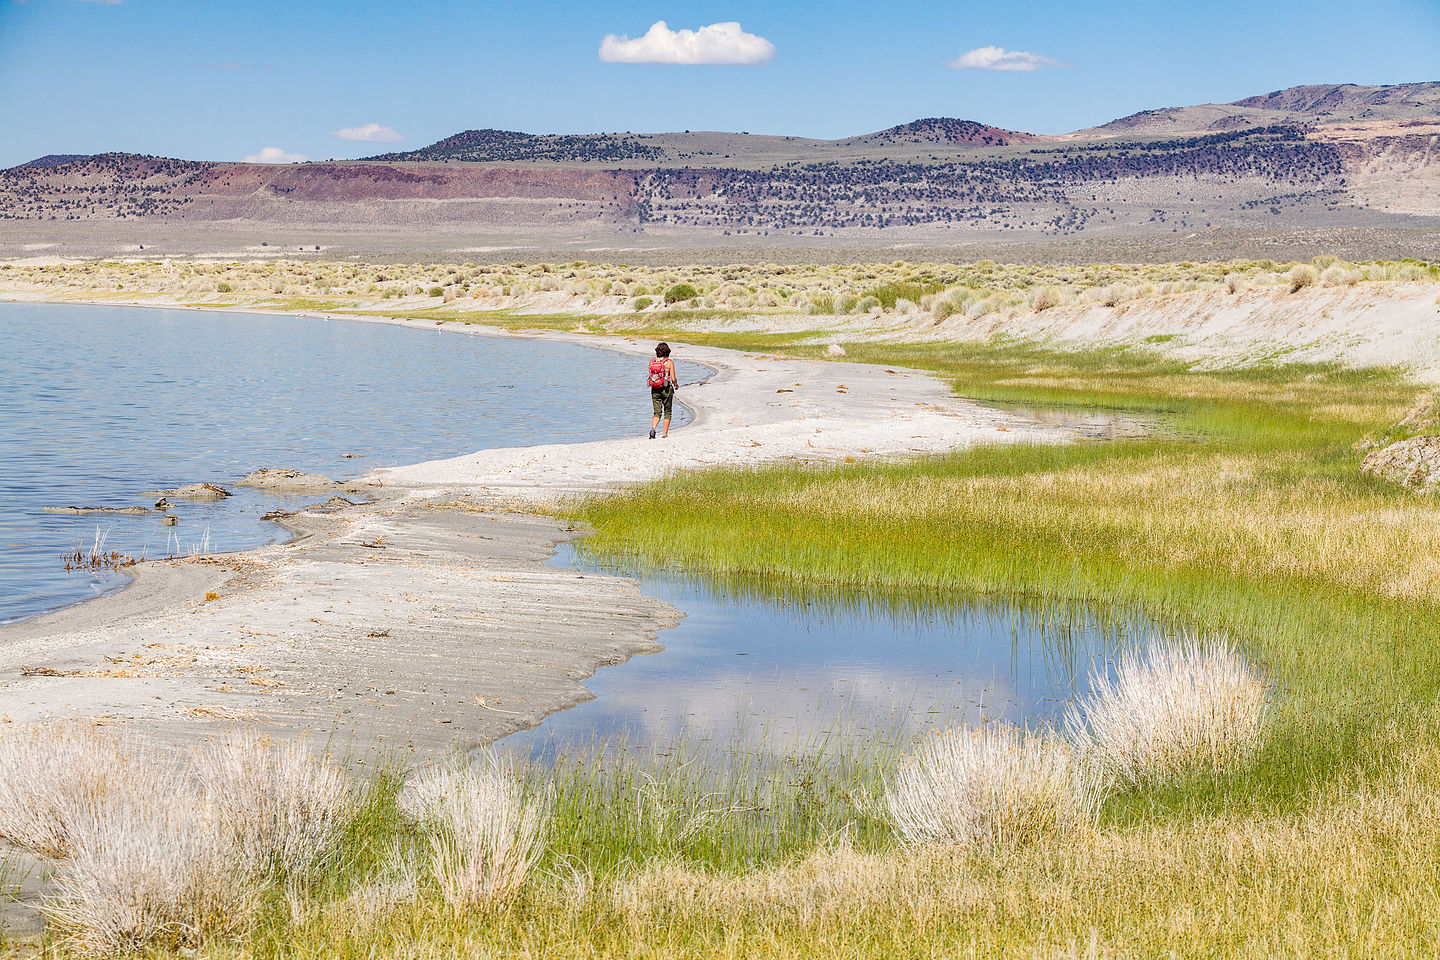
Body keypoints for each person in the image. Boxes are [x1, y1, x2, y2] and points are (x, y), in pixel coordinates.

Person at [648, 342, 677, 439]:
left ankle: (653, 429)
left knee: (656, 412)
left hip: (655, 389)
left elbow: (651, 376)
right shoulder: (669, 362)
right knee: (667, 411)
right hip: (666, 389)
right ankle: (664, 433)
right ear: (667, 352)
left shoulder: (652, 362)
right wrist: (676, 385)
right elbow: (673, 378)